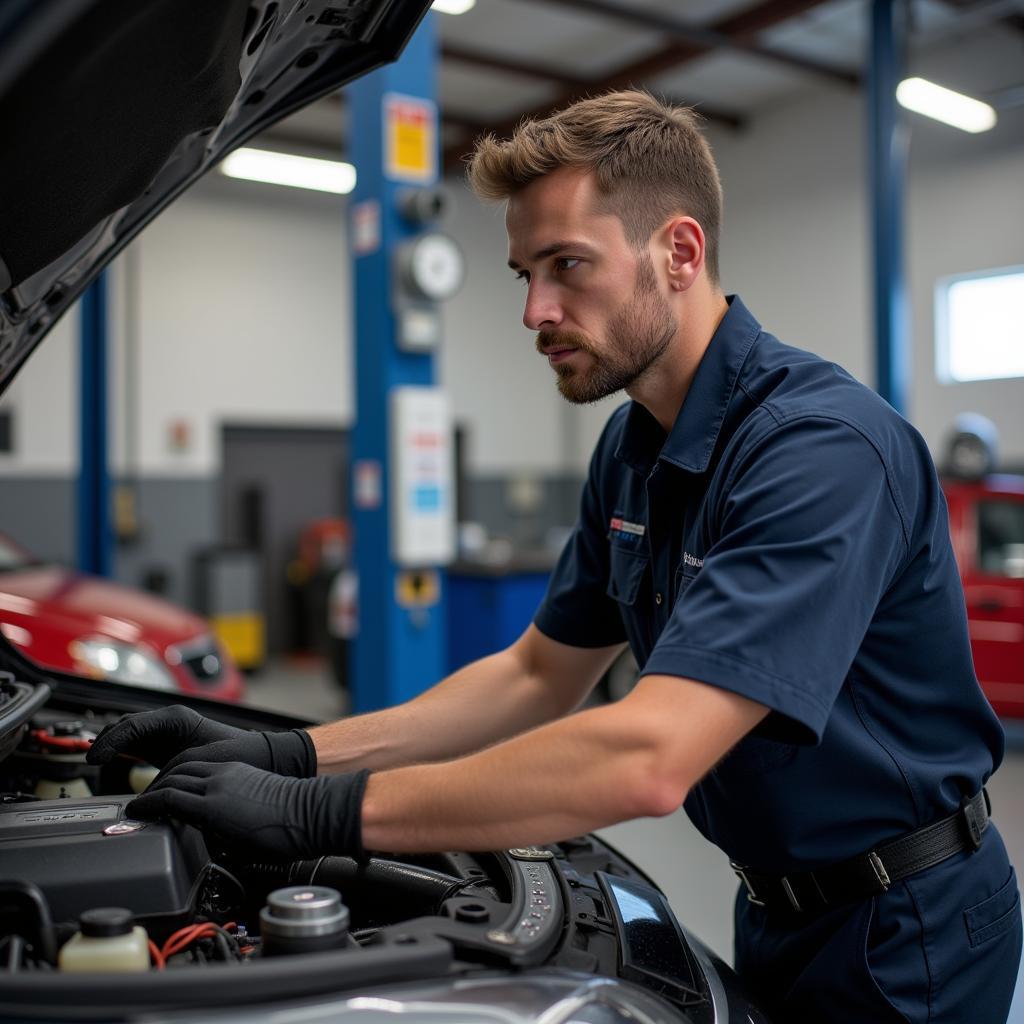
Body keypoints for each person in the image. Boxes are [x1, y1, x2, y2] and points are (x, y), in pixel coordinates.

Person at [87, 90, 1020, 1021]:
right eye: (525, 273)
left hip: (908, 926)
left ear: (680, 253)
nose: (537, 309)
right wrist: (290, 753)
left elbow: (649, 755)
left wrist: (315, 815)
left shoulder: (819, 448)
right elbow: (535, 675)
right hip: (773, 903)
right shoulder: (631, 449)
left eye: (569, 265)